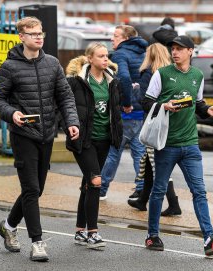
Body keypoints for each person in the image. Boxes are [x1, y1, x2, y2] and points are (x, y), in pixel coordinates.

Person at [0, 17, 79, 262]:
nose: (39, 37)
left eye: (41, 33)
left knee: (36, 189)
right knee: (31, 189)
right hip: (23, 135)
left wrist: (72, 122)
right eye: (33, 34)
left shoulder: (52, 63)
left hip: (47, 133)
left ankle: (8, 226)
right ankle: (38, 242)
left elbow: (65, 97)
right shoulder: (10, 66)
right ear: (22, 37)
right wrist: (12, 113)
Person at [142, 35, 213, 256]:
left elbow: (198, 102)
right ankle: (152, 235)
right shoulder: (162, 74)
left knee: (200, 191)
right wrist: (163, 105)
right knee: (158, 191)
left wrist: (208, 110)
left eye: (180, 49)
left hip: (191, 144)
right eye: (173, 49)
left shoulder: (198, 75)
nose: (175, 52)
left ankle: (209, 239)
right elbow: (145, 102)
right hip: (166, 144)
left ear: (190, 51)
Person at [65, 43, 122, 249]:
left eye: (107, 56)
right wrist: (69, 126)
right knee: (96, 180)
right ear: (90, 58)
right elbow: (64, 106)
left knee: (89, 184)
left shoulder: (112, 80)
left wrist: (117, 130)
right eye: (100, 56)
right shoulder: (76, 81)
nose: (105, 59)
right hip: (84, 139)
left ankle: (80, 230)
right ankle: (93, 233)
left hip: (104, 138)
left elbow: (116, 108)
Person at [127, 43, 182, 217]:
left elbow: (145, 101)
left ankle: (173, 203)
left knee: (159, 164)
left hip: (154, 123)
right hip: (170, 122)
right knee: (150, 161)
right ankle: (142, 200)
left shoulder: (148, 74)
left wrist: (135, 91)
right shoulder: (171, 73)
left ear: (149, 56)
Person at [100, 25, 148, 200]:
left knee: (113, 152)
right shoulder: (143, 52)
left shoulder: (120, 53)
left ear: (126, 39)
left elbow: (125, 78)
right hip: (141, 111)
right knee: (139, 153)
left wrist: (126, 103)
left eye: (115, 36)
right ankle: (141, 189)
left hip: (126, 112)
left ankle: (101, 189)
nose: (112, 39)